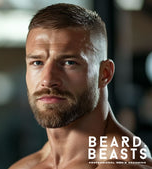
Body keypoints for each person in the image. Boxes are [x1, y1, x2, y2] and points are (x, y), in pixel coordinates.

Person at [9, 3, 152, 169]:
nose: (47, 80)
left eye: (69, 63)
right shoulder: (26, 166)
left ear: (105, 73)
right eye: (37, 62)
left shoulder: (123, 164)